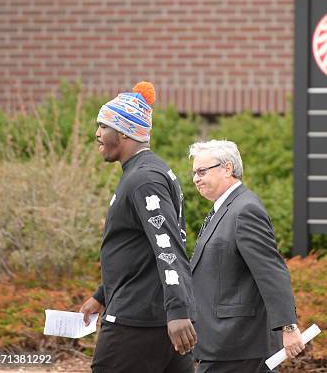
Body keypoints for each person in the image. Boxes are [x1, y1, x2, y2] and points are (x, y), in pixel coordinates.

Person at [79, 82, 197, 373]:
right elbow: (139, 249)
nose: (97, 134)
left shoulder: (144, 179)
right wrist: (103, 294)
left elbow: (167, 246)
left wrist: (179, 311)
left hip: (137, 322)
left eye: (103, 126)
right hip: (153, 319)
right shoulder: (147, 173)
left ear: (123, 132)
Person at [188, 140, 304, 373]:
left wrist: (288, 327)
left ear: (228, 168)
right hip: (226, 345)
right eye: (194, 173)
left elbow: (271, 271)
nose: (195, 179)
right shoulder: (222, 209)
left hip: (240, 344)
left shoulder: (245, 210)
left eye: (202, 171)